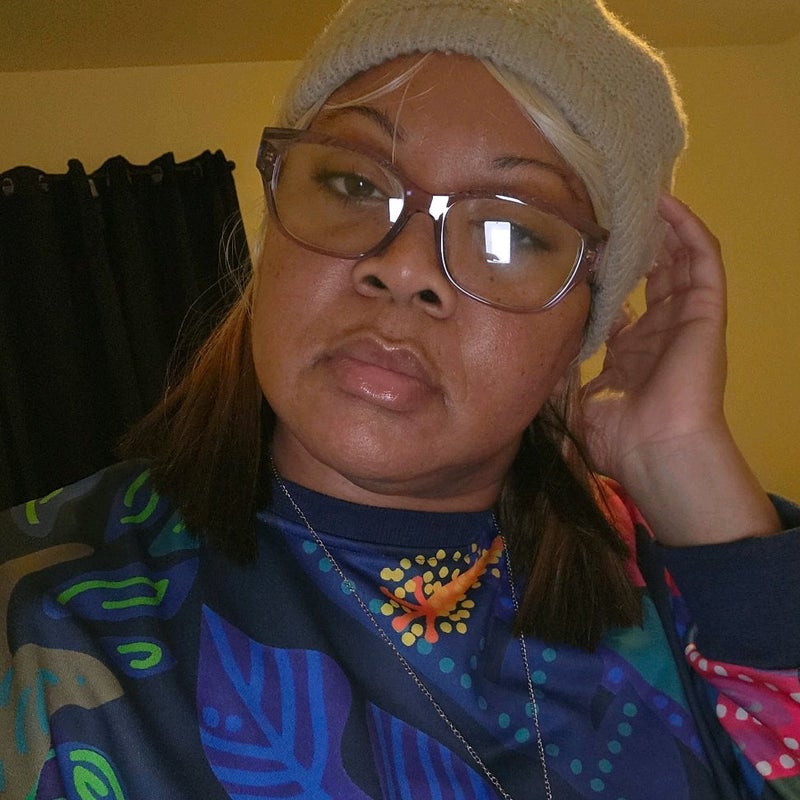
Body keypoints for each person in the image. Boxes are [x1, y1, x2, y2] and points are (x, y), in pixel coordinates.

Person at [2, 0, 798, 797]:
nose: (407, 266)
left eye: (510, 232)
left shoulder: (695, 580)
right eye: (354, 183)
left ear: (585, 325)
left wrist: (686, 467)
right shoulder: (41, 616)